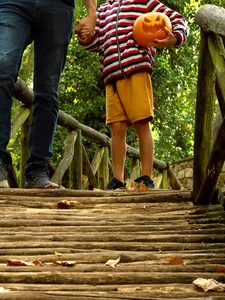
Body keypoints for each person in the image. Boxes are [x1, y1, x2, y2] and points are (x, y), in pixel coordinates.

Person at [0, 0, 97, 189]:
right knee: (2, 68)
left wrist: (91, 13)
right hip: (13, 5)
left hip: (59, 7)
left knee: (48, 89)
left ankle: (38, 170)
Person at [76, 0, 188, 190]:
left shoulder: (143, 2)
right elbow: (97, 42)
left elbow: (178, 19)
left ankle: (146, 176)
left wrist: (175, 37)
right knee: (117, 128)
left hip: (136, 69)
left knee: (141, 122)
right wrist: (85, 36)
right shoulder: (103, 11)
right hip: (111, 77)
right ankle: (118, 179)